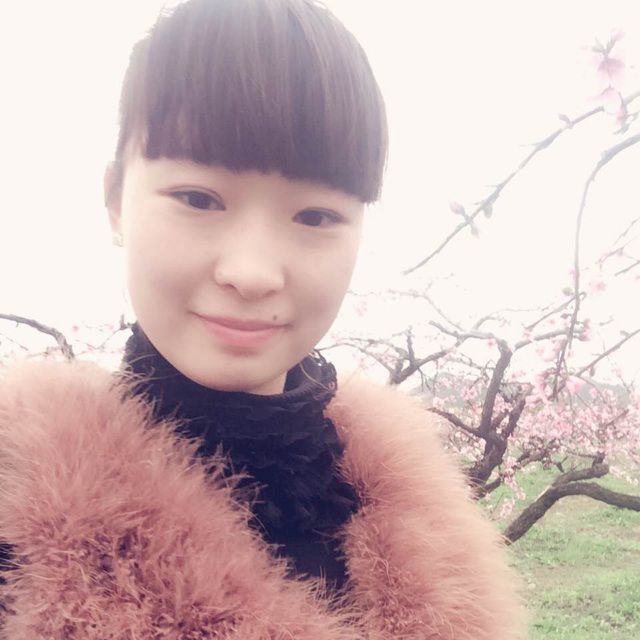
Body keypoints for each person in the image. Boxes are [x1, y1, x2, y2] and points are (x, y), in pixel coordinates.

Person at [0, 0, 528, 637]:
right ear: (116, 201)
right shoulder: (15, 517)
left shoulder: (428, 524)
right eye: (198, 199)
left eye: (316, 216)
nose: (252, 274)